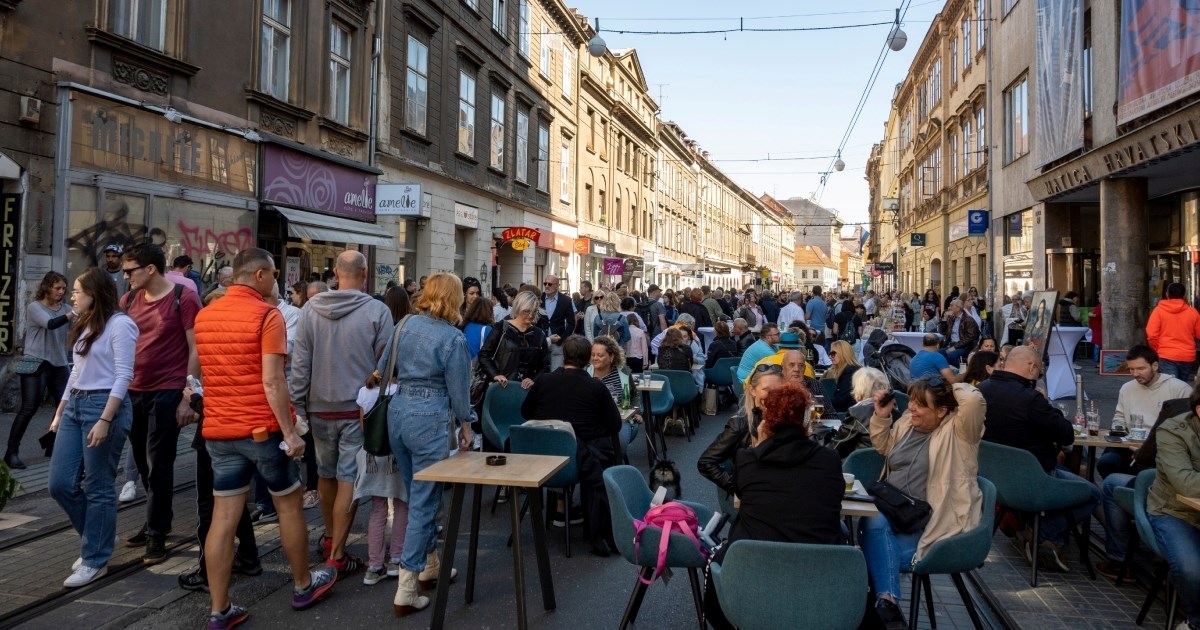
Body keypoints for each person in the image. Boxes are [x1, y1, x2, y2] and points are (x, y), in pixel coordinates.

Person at [193, 248, 337, 627]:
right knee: (288, 505)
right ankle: (304, 585)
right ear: (258, 275)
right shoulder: (266, 315)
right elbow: (273, 380)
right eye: (274, 272)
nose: (277, 279)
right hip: (261, 430)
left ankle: (219, 609)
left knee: (223, 517)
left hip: (219, 430)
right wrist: (291, 432)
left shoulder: (206, 315)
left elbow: (201, 373)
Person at [704, 382, 845, 630]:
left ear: (767, 418)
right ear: (805, 420)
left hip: (755, 564)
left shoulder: (747, 459)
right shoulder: (829, 460)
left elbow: (742, 491)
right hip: (819, 567)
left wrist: (759, 444)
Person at [374, 272, 475, 616]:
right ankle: (407, 585)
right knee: (424, 499)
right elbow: (460, 390)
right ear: (455, 298)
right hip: (430, 417)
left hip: (398, 412)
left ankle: (431, 565)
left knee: (417, 492)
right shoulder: (452, 338)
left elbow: (381, 367)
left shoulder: (404, 325)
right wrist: (466, 425)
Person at [290, 250, 395, 575]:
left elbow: (300, 361)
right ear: (365, 274)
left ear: (335, 272)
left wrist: (297, 405)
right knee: (348, 477)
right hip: (357, 410)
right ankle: (336, 553)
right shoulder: (377, 311)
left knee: (325, 474)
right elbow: (386, 366)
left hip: (319, 406)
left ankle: (330, 535)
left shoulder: (309, 309)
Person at [860, 378, 986, 629]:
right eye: (912, 402)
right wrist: (883, 417)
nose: (912, 408)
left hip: (933, 524)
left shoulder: (960, 431)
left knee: (868, 553)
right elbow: (886, 448)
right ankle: (887, 606)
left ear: (941, 410)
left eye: (920, 404)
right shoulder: (907, 422)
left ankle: (881, 607)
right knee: (872, 520)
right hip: (895, 510)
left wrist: (948, 381)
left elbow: (972, 400)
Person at [47, 267, 139, 588]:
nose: (72, 296)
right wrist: (60, 412)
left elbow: (123, 375)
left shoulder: (121, 325)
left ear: (94, 294)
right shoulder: (86, 323)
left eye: (76, 291)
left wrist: (105, 419)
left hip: (104, 406)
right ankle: (95, 541)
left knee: (98, 486)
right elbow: (76, 372)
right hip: (76, 405)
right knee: (60, 483)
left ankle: (95, 558)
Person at [977, 346, 1100, 571]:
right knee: (1093, 494)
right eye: (1040, 372)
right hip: (1035, 479)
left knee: (1070, 478)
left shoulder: (983, 388)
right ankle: (1044, 533)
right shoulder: (1030, 398)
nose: (1038, 376)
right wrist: (1047, 404)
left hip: (996, 479)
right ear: (1032, 367)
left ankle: (1044, 538)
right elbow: (1065, 433)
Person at [120, 243, 202, 565]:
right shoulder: (127, 301)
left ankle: (156, 533)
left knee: (160, 461)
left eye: (130, 271)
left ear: (150, 269)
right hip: (133, 390)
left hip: (168, 389)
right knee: (141, 460)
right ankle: (158, 519)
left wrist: (187, 396)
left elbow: (195, 350)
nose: (125, 276)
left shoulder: (184, 298)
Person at [1094, 345, 1192, 579]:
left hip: (1159, 454)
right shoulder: (1128, 388)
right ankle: (1127, 520)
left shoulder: (1178, 389)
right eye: (1131, 369)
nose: (1136, 374)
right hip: (1131, 447)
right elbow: (1119, 418)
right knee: (1105, 463)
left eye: (1140, 368)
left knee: (1113, 487)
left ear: (1155, 366)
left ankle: (1121, 552)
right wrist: (1121, 434)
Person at [522, 335, 622, 557]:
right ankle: (600, 529)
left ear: (564, 356)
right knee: (599, 455)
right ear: (587, 359)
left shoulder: (544, 381)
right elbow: (614, 424)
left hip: (540, 457)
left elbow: (526, 413)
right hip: (577, 460)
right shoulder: (595, 387)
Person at [6, 272, 75, 469]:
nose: (61, 292)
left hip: (59, 363)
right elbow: (50, 324)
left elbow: (78, 326)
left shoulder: (66, 308)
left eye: (63, 288)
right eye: (57, 288)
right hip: (36, 363)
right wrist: (72, 314)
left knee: (65, 405)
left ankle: (51, 443)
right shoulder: (35, 307)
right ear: (46, 287)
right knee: (29, 408)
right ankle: (11, 452)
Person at [1145, 384, 1200, 630]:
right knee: (1192, 568)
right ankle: (1196, 622)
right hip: (1175, 512)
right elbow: (1185, 484)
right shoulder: (1174, 430)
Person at [697, 364, 785, 496]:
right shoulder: (740, 423)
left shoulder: (787, 418)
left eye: (777, 390)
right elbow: (705, 462)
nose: (772, 396)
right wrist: (738, 488)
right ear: (752, 390)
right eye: (766, 389)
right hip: (758, 496)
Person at [355, 377, 408, 587]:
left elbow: (362, 428)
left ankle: (374, 566)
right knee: (402, 504)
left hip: (373, 457)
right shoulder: (403, 391)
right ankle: (397, 558)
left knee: (378, 510)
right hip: (397, 456)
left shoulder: (364, 392)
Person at [478, 290, 550, 395]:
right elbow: (484, 355)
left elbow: (545, 366)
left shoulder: (539, 335)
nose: (530, 315)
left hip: (527, 393)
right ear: (518, 308)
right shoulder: (501, 328)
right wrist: (495, 375)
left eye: (534, 311)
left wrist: (533, 379)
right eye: (526, 311)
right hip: (501, 389)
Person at [588, 336, 641, 461]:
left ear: (611, 357)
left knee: (619, 445)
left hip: (620, 420)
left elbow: (634, 395)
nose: (595, 358)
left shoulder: (623, 372)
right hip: (593, 421)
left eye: (600, 355)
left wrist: (636, 411)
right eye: (593, 354)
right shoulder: (586, 373)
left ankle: (613, 471)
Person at [1146, 282, 1200, 384]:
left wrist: (1157, 348)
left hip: (1166, 355)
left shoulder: (1158, 311)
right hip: (1187, 356)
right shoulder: (1193, 312)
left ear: (1167, 294)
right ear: (1184, 295)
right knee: (1182, 386)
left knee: (1170, 387)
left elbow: (1151, 334)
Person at [541, 274, 575, 370]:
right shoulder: (539, 299)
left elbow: (571, 323)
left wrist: (562, 338)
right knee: (542, 371)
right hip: (542, 341)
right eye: (545, 283)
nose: (547, 286)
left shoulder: (566, 300)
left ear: (557, 285)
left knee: (556, 372)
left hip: (557, 344)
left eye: (550, 284)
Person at [939, 299, 979, 367]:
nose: (949, 307)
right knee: (938, 354)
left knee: (951, 355)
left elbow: (970, 338)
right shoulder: (951, 318)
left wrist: (955, 347)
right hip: (951, 344)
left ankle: (961, 372)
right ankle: (945, 372)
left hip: (964, 346)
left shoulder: (968, 320)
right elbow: (943, 332)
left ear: (958, 308)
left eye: (951, 305)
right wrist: (944, 319)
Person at [825, 339, 862, 412]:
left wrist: (820, 402)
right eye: (830, 354)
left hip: (849, 415)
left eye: (832, 354)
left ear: (842, 353)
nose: (830, 357)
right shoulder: (853, 369)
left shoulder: (849, 371)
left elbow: (841, 401)